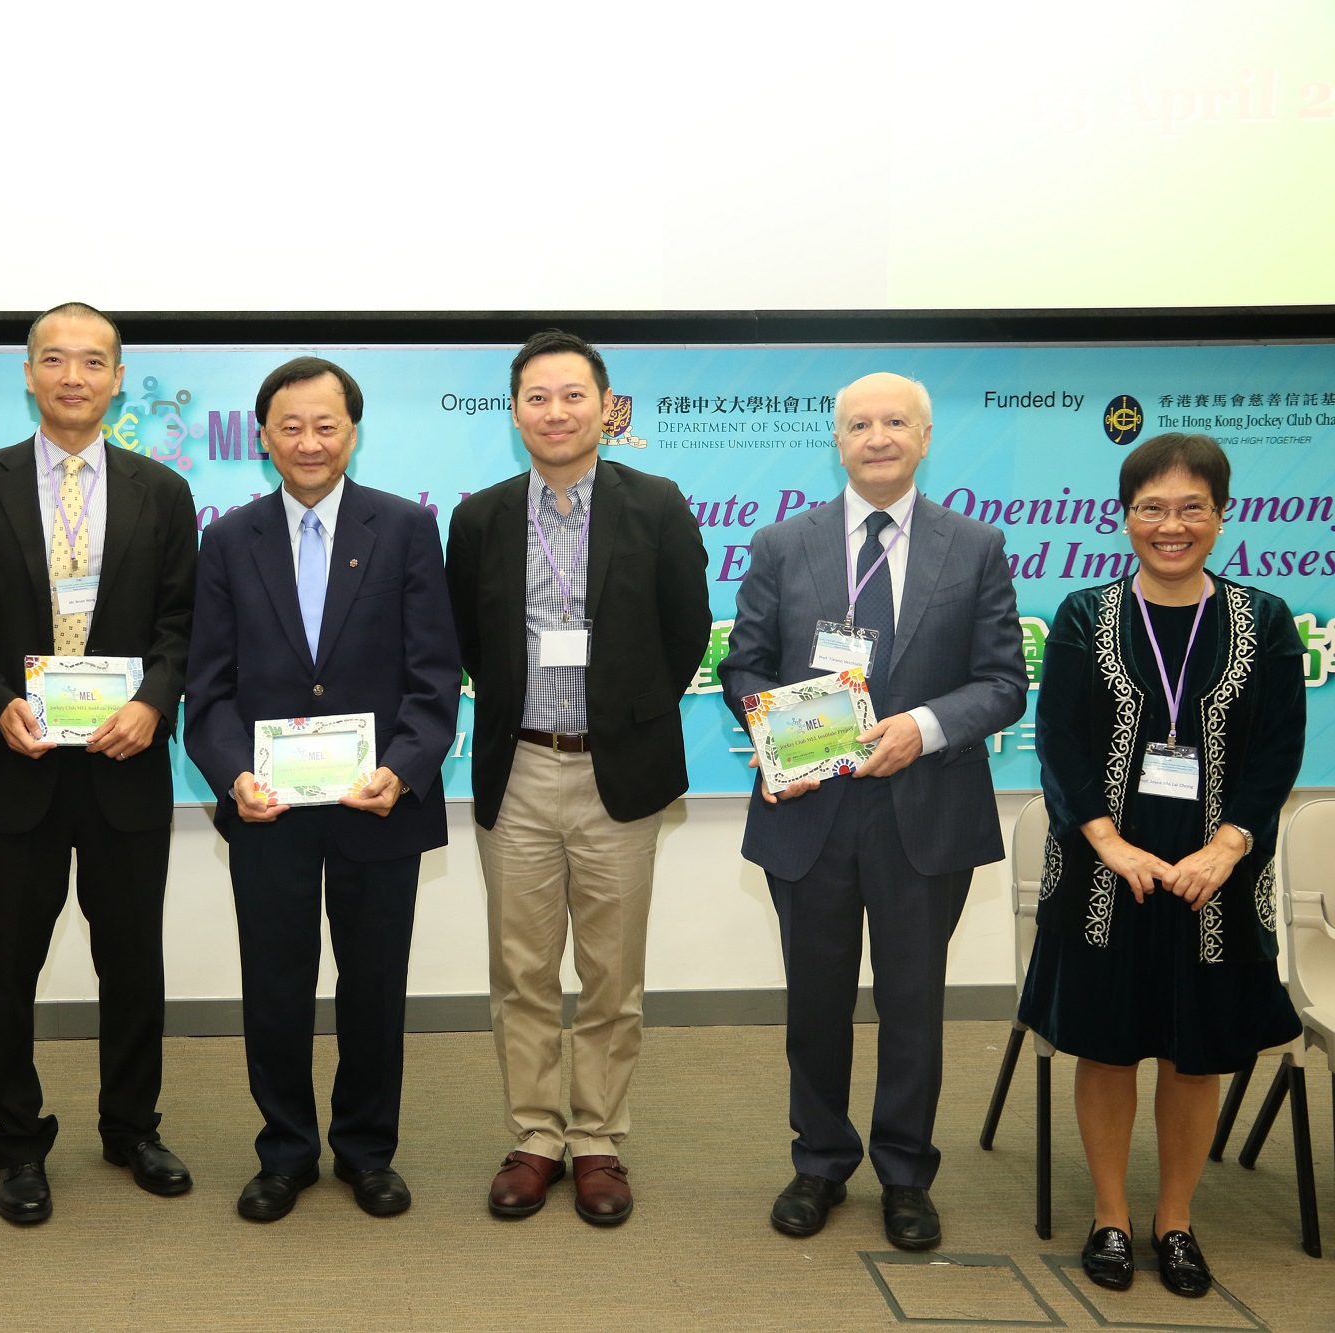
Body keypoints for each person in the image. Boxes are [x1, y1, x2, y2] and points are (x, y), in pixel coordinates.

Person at [720, 371, 1027, 1250]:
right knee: (814, 1001)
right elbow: (743, 666)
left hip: (924, 809)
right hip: (810, 810)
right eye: (860, 423)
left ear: (925, 437)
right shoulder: (783, 542)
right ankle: (819, 1160)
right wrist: (782, 735)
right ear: (839, 440)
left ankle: (904, 1172)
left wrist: (925, 728)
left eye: (896, 421)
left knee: (913, 1001)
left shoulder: (975, 544)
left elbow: (1003, 682)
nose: (878, 435)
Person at [0, 302, 198, 1224]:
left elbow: (180, 626)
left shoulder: (163, 491)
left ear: (119, 378)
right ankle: (17, 1141)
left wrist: (153, 701)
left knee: (133, 963)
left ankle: (131, 1126)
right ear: (30, 374)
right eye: (55, 360)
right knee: (5, 969)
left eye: (93, 361)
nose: (73, 376)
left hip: (125, 768)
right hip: (17, 767)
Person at [1018, 433, 1303, 1299]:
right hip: (1107, 878)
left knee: (1195, 1056)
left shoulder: (1266, 618)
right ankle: (1109, 1214)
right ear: (1125, 516)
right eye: (1151, 507)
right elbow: (1060, 745)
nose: (1170, 525)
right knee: (1105, 1050)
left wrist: (1227, 847)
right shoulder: (1082, 614)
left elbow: (1277, 751)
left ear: (1222, 515)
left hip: (1214, 884)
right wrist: (1107, 841)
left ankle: (1174, 1220)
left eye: (1191, 508)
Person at [184, 356, 459, 1221]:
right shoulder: (229, 538)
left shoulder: (407, 528)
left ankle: (367, 1150)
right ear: (263, 436)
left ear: (353, 431)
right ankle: (286, 1151)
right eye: (290, 426)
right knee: (274, 983)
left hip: (377, 806)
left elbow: (434, 678)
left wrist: (405, 769)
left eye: (326, 425)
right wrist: (232, 776)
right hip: (267, 815)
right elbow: (210, 688)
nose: (308, 441)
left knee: (375, 987)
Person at [445, 330, 710, 1225]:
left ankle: (596, 1137)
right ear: (514, 410)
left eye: (571, 395)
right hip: (517, 767)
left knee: (609, 973)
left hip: (617, 774)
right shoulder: (479, 516)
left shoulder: (658, 504)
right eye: (536, 397)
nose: (554, 412)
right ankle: (534, 1135)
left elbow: (685, 632)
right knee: (521, 970)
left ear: (606, 407)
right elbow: (465, 641)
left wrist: (625, 720)